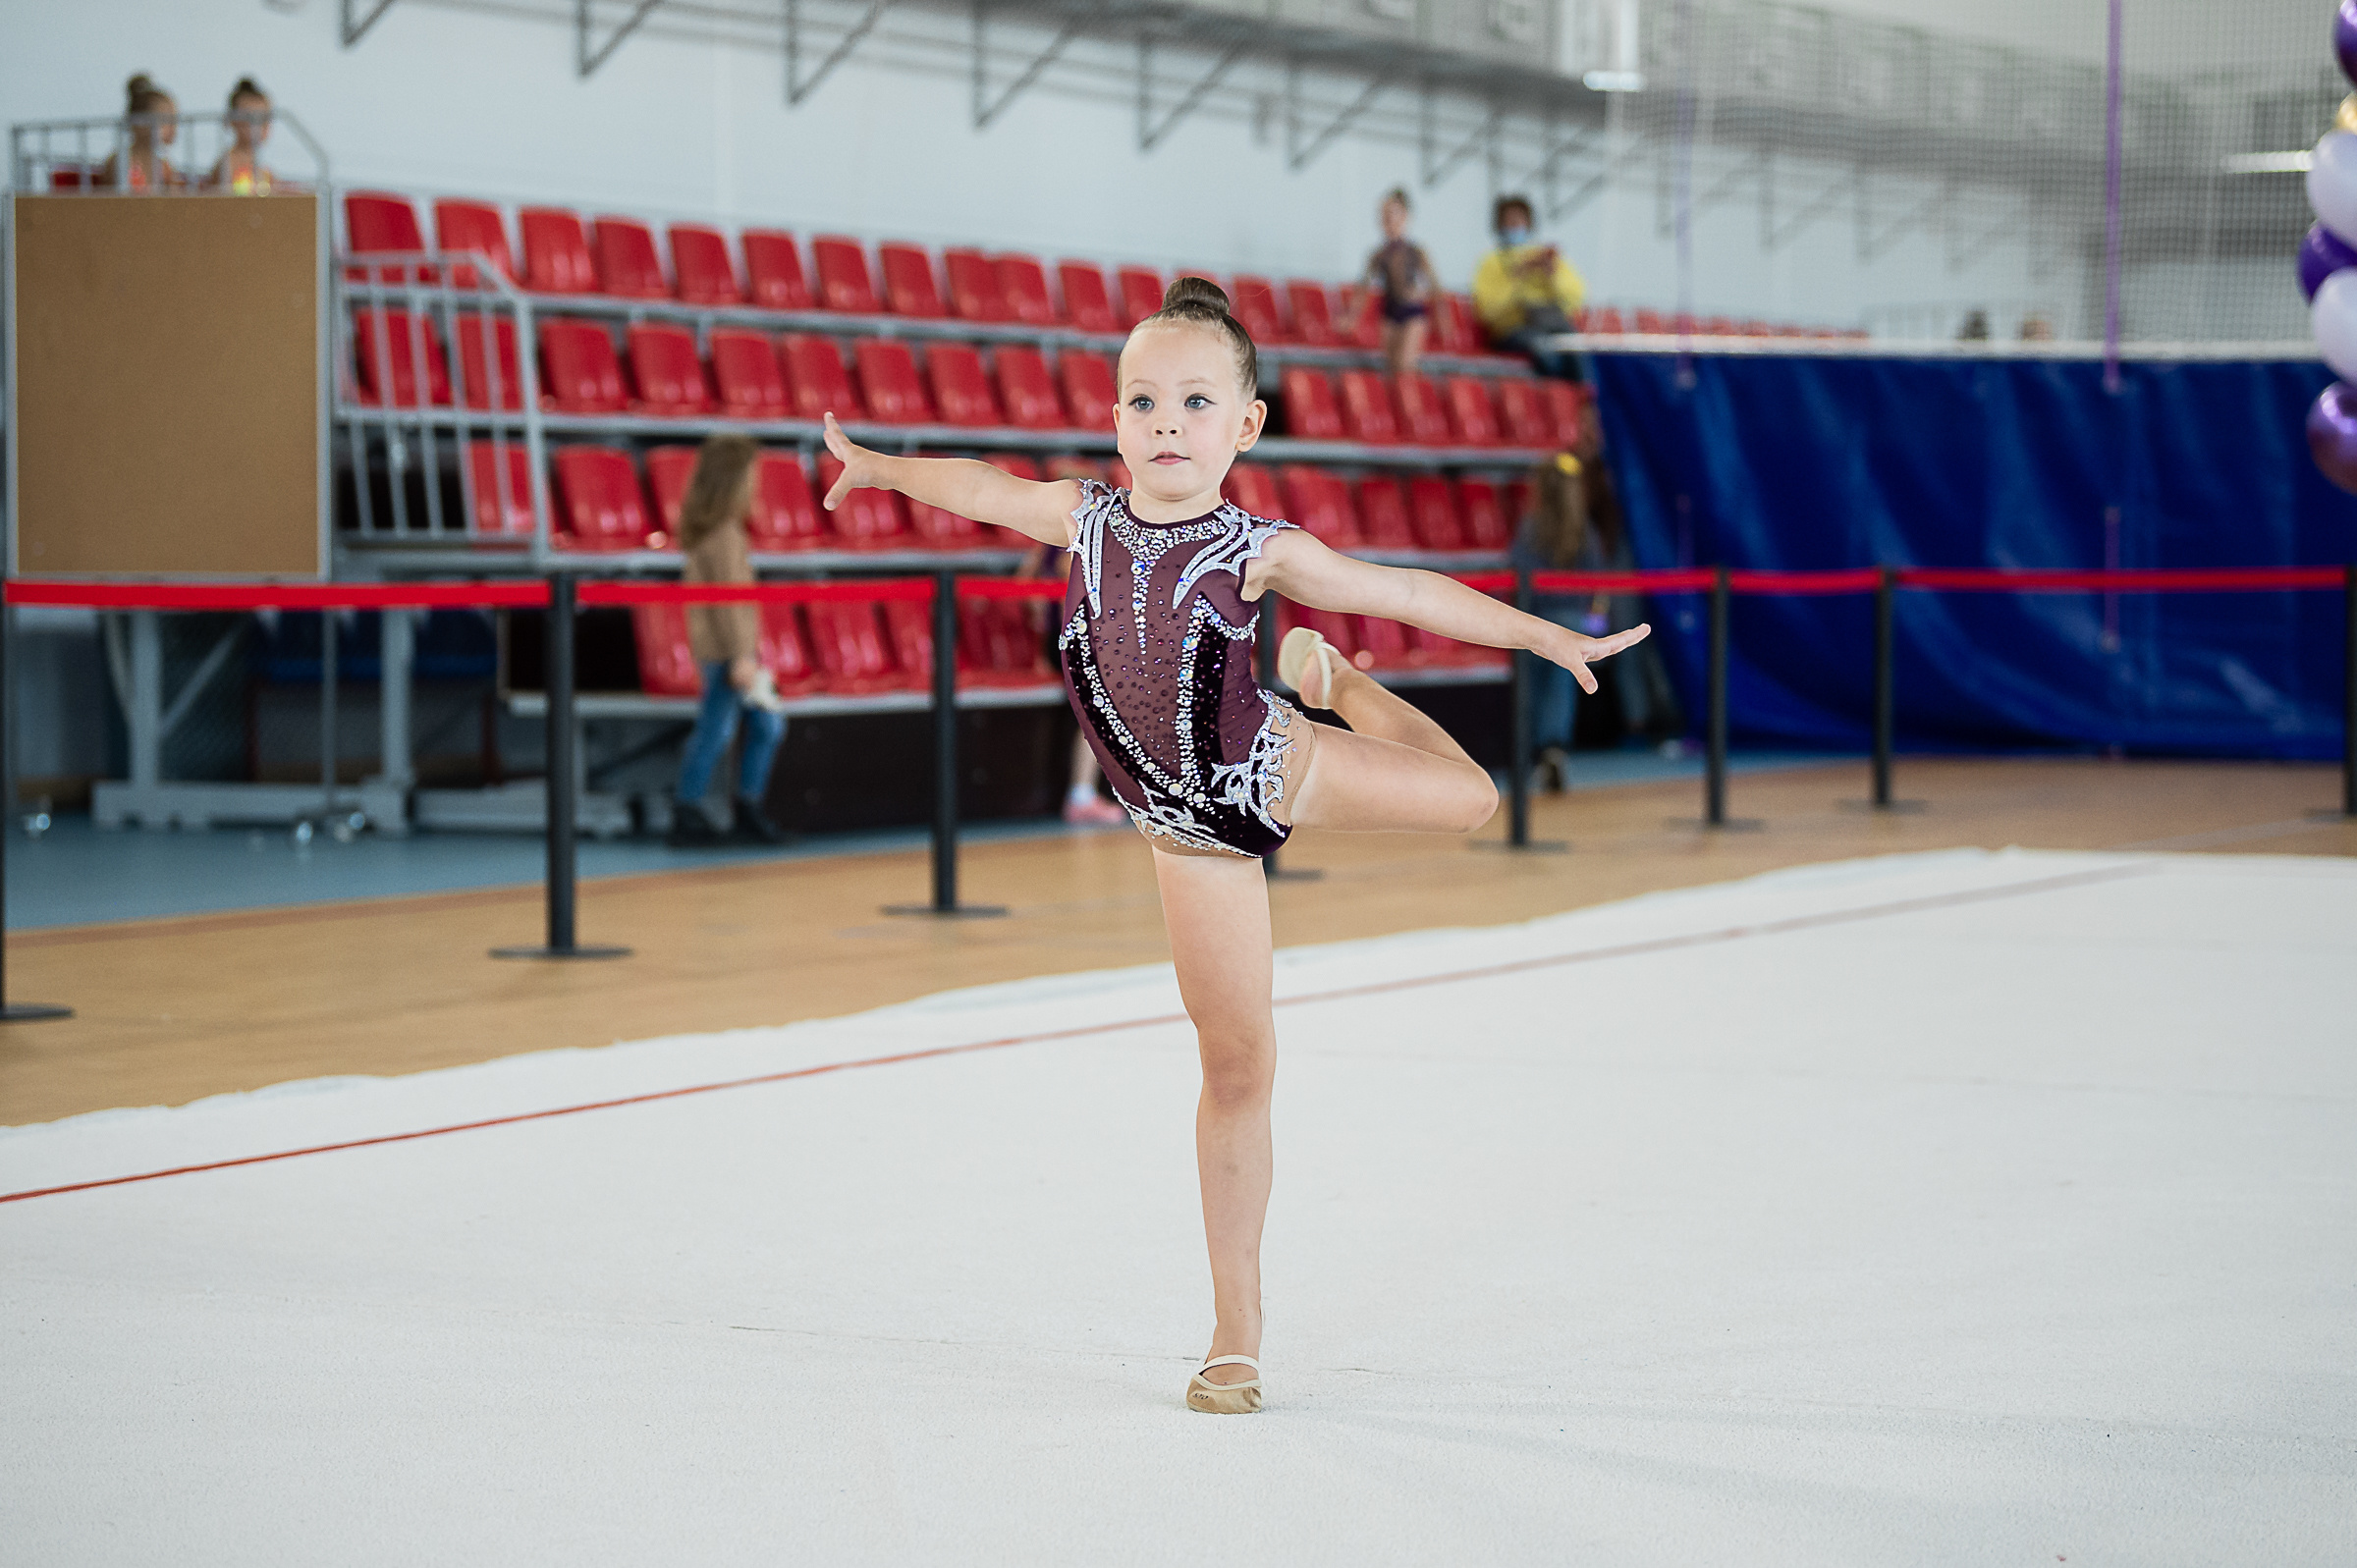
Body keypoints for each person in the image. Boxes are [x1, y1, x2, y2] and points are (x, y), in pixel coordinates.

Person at [820, 278, 1649, 1415]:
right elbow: (972, 485)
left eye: (1196, 401)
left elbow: (1405, 589)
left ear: (1244, 426)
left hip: (1271, 763)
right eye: (1144, 400)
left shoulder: (1260, 547)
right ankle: (1235, 1333)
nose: (1168, 422)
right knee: (1239, 1066)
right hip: (1181, 830)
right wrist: (882, 468)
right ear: (1115, 422)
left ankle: (1339, 683)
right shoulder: (1083, 518)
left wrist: (1545, 634)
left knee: (1473, 800)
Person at [668, 435, 790, 848]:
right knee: (717, 731)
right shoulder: (722, 537)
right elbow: (729, 604)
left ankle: (745, 807)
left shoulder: (723, 533)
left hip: (735, 653)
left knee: (764, 725)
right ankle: (688, 808)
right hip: (727, 654)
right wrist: (742, 655)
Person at [1471, 195, 1584, 380]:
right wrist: (1518, 275)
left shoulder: (1545, 257)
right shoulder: (1490, 262)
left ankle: (1587, 400)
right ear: (1499, 225)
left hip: (1551, 324)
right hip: (1513, 330)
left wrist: (1552, 275)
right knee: (1546, 353)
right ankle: (1558, 401)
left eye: (1519, 220)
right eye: (1509, 220)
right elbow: (1488, 311)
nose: (1515, 225)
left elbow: (1576, 298)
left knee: (1575, 347)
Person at [1341, 188, 1438, 377]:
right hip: (1389, 312)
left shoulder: (1417, 252)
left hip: (1412, 312)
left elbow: (1435, 287)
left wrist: (1439, 316)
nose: (1388, 219)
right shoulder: (1378, 255)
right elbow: (1363, 289)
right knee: (1392, 370)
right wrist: (1352, 317)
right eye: (1384, 214)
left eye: (1393, 213)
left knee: (1405, 365)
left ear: (1405, 216)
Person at [100, 74, 183, 192]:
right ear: (138, 123)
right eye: (164, 121)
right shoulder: (122, 161)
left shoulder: (164, 166)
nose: (172, 128)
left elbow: (176, 201)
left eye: (174, 121)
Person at [206, 78, 275, 194]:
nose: (261, 126)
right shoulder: (228, 164)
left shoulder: (262, 169)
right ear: (233, 121)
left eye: (264, 118)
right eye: (250, 119)